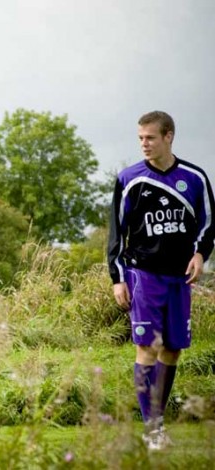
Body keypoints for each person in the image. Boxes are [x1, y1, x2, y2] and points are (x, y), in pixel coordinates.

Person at [107, 111, 215, 451]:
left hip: (179, 278)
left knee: (171, 350)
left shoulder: (195, 177)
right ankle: (152, 428)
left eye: (150, 137)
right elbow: (116, 233)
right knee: (147, 346)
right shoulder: (129, 179)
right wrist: (117, 278)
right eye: (140, 138)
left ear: (168, 136)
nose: (144, 144)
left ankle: (158, 421)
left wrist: (200, 255)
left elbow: (209, 224)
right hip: (142, 275)